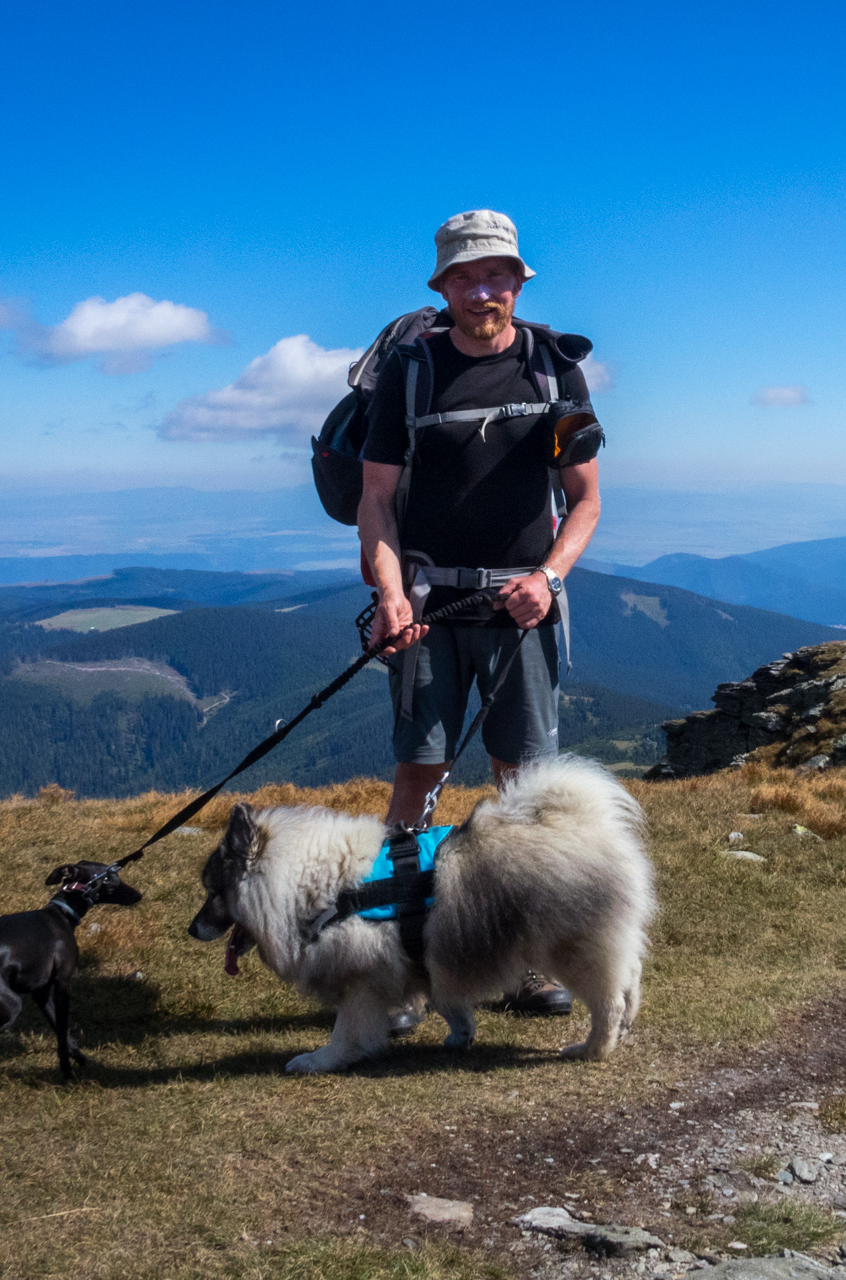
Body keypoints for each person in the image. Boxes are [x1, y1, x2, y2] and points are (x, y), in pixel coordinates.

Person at [356, 210, 603, 1017]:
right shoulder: (411, 372)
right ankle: (396, 958)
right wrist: (390, 596)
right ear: (444, 287)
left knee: (522, 785)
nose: (481, 290)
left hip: (519, 605)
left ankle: (527, 959)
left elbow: (586, 501)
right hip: (428, 604)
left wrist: (550, 578)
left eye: (496, 274)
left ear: (518, 281)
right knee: (418, 773)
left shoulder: (553, 369)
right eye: (464, 277)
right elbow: (377, 502)